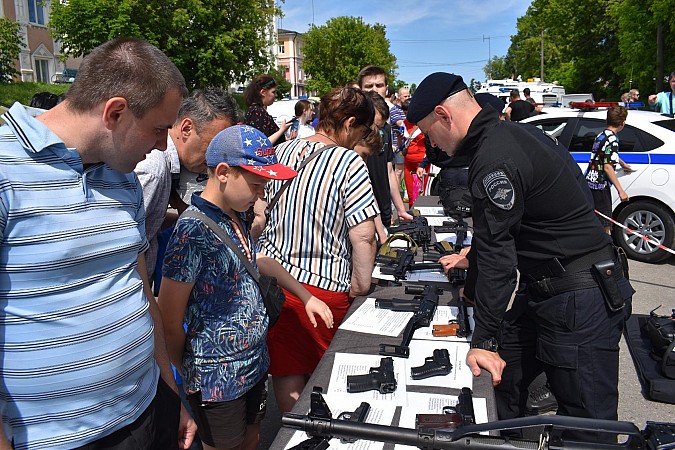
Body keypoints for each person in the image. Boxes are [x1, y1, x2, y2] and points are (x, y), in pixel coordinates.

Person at [407, 72, 634, 442]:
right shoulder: (508, 135)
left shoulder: (494, 158)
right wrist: (473, 282)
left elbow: (499, 256)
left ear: (443, 114)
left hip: (578, 295)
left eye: (431, 133)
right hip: (550, 287)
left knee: (587, 423)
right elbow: (499, 233)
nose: (436, 146)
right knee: (506, 382)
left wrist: (482, 340)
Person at [0, 37, 197, 450]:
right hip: (54, 441)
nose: (162, 146)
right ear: (116, 112)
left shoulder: (121, 176)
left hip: (143, 412)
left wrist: (167, 386)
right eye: (160, 129)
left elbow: (138, 285)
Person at [157, 125, 333, 450]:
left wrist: (306, 295)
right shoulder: (191, 231)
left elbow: (257, 261)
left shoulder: (235, 214)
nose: (260, 195)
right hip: (217, 378)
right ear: (223, 172)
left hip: (253, 365)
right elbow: (169, 317)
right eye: (256, 185)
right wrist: (192, 366)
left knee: (252, 439)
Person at [255, 87, 379, 414]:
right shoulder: (350, 162)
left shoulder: (280, 151)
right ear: (350, 123)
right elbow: (364, 236)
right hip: (325, 288)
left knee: (286, 371)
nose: (360, 138)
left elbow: (258, 208)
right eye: (363, 131)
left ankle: (291, 433)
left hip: (275, 279)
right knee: (327, 377)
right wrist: (361, 285)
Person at [135, 87, 240, 284]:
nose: (213, 159)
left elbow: (147, 221)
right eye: (212, 147)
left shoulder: (163, 166)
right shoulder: (155, 169)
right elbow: (128, 244)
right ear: (186, 129)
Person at [358, 65, 413, 224]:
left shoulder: (386, 128)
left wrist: (400, 209)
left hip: (384, 210)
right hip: (362, 212)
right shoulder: (354, 128)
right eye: (368, 86)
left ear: (386, 89)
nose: (374, 90)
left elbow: (389, 171)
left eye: (379, 85)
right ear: (360, 90)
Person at [585, 106, 634, 234]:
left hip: (590, 182)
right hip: (600, 186)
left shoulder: (601, 135)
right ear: (622, 123)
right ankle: (604, 249)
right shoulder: (613, 140)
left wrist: (622, 163)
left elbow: (605, 154)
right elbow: (607, 167)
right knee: (604, 224)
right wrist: (621, 191)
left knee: (593, 221)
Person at [243, 75, 293, 144]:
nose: (276, 95)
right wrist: (281, 130)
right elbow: (262, 144)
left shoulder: (257, 111)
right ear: (263, 92)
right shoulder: (257, 112)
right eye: (273, 92)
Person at [400, 98, 428, 207]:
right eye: (404, 111)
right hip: (408, 162)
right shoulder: (404, 123)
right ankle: (412, 215)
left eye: (407, 111)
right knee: (411, 192)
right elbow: (401, 142)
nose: (406, 114)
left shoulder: (424, 122)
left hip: (421, 162)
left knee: (421, 193)